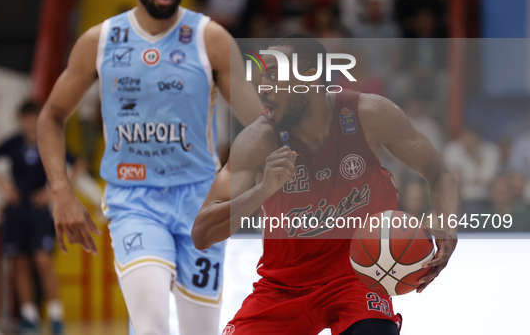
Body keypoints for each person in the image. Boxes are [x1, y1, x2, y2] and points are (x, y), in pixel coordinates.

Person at [35, 0, 262, 334]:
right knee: (151, 323)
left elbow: (260, 123)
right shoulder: (100, 41)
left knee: (199, 331)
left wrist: (240, 178)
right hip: (134, 201)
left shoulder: (211, 39)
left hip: (200, 203)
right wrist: (60, 191)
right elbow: (50, 117)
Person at [192, 35, 459, 334]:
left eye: (273, 76)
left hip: (356, 280)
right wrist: (262, 190)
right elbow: (202, 234)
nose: (262, 87)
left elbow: (440, 174)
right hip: (283, 287)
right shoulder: (258, 140)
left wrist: (448, 226)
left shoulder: (369, 115)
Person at [0, 101, 84, 334]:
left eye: (32, 118)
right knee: (19, 263)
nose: (28, 123)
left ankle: (57, 316)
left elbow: (78, 163)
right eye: (25, 118)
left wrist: (53, 192)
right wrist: (4, 186)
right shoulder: (14, 142)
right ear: (20, 120)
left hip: (38, 213)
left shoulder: (47, 142)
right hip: (16, 210)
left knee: (42, 260)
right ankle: (29, 316)